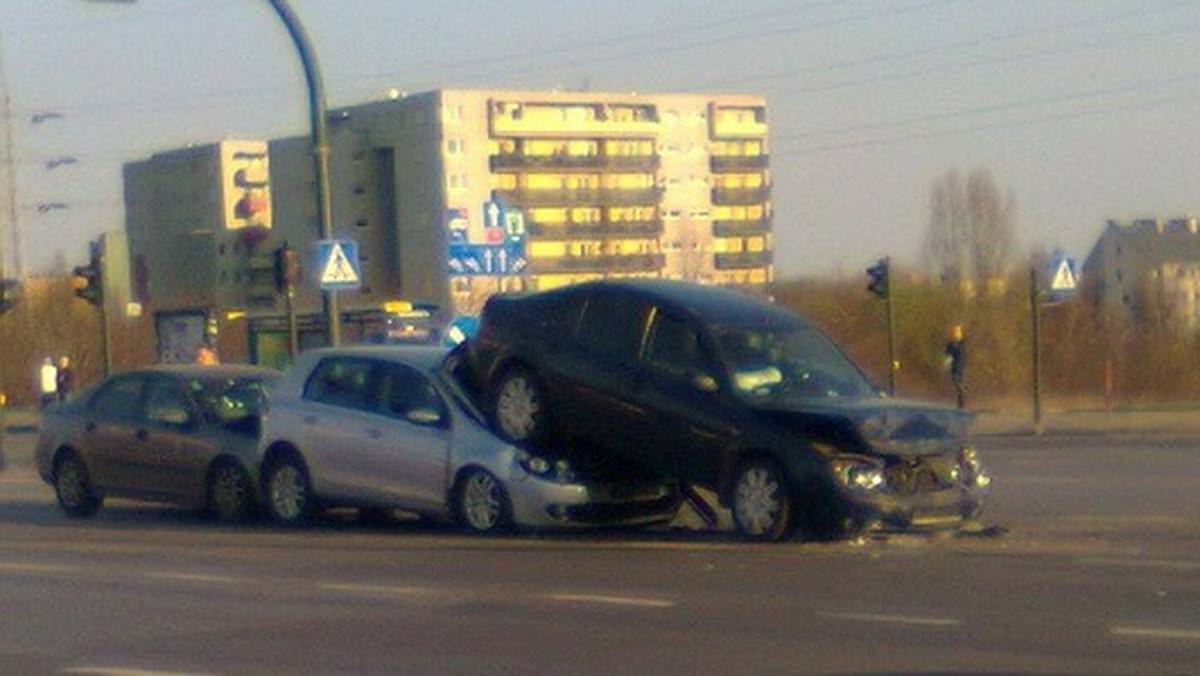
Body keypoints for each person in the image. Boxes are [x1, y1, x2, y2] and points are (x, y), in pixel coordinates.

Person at [944, 324, 967, 409]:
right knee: (958, 382)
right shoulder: (959, 344)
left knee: (958, 383)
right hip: (959, 366)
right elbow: (948, 354)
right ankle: (961, 400)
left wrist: (947, 363)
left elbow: (949, 355)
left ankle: (961, 401)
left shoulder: (957, 345)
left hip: (958, 366)